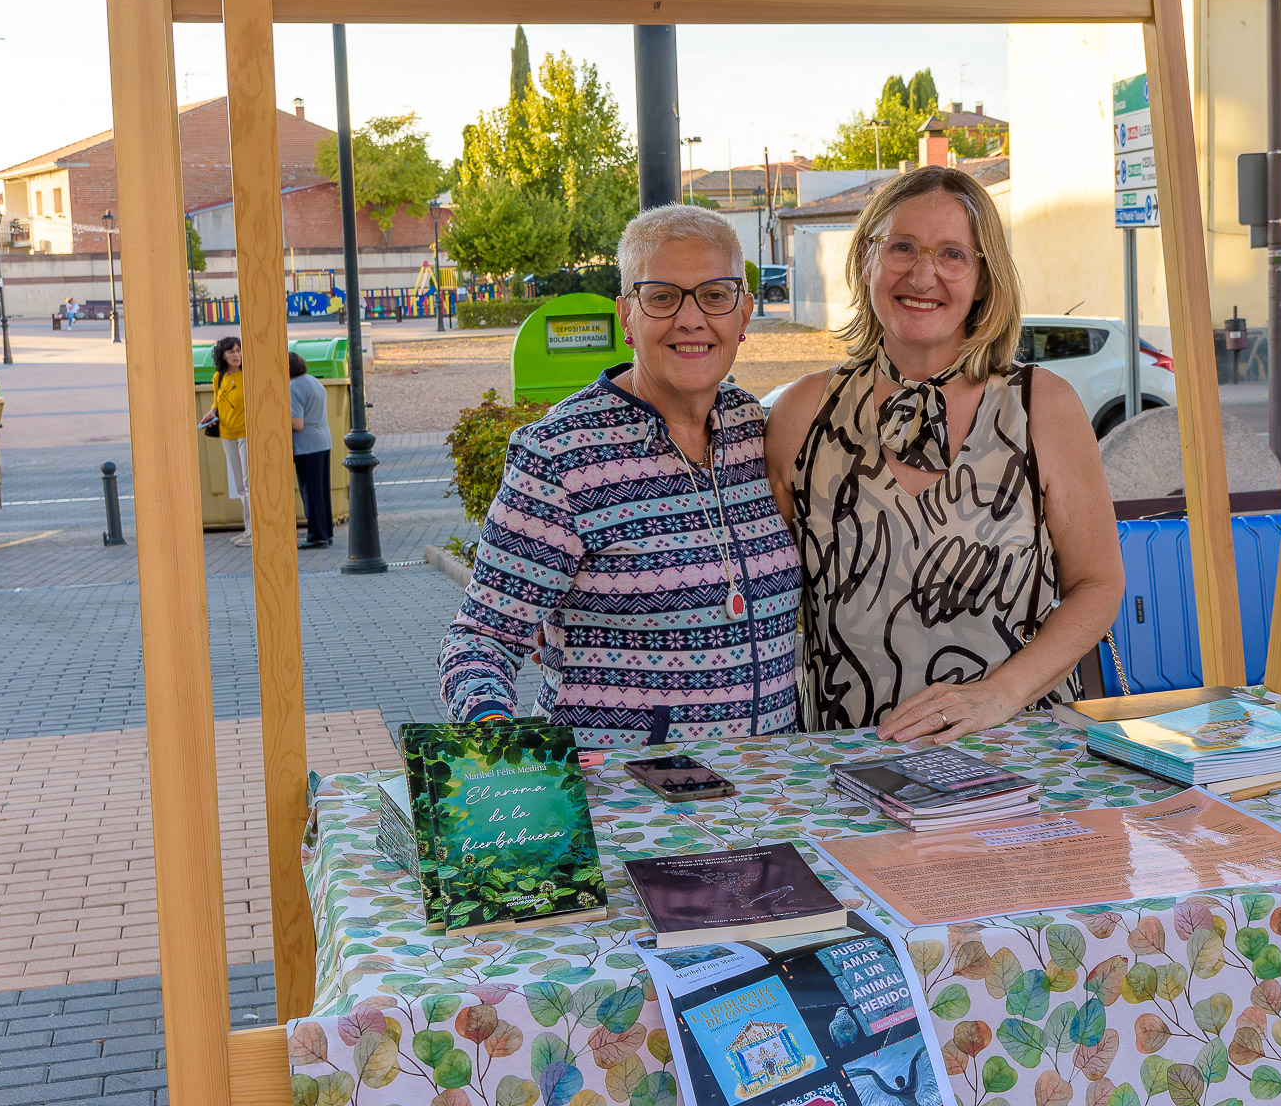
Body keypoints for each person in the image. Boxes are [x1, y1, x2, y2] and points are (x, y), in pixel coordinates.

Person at [764, 165, 1125, 742]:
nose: (923, 274)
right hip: (847, 759)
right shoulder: (802, 413)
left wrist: (998, 696)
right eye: (901, 247)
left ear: (984, 279)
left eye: (953, 254)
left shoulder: (1042, 408)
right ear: (865, 261)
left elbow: (1099, 584)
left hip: (1016, 752)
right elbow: (768, 591)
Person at [438, 205, 802, 747]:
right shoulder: (560, 455)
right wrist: (503, 738)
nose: (691, 318)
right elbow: (481, 639)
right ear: (627, 316)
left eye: (715, 295)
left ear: (744, 314)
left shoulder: (760, 431)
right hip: (625, 804)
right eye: (661, 297)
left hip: (764, 793)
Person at [200, 336, 251, 546]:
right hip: (227, 434)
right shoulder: (218, 377)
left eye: (238, 350)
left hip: (246, 434)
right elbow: (217, 401)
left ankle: (253, 532)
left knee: (249, 484)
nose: (236, 355)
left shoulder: (247, 375)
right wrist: (211, 413)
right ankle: (248, 529)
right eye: (231, 351)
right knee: (240, 485)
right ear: (222, 355)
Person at [288, 350, 332, 549]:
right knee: (322, 491)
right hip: (323, 440)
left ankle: (316, 535)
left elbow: (297, 423)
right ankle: (326, 531)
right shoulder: (314, 381)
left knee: (310, 492)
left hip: (306, 446)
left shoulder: (293, 386)